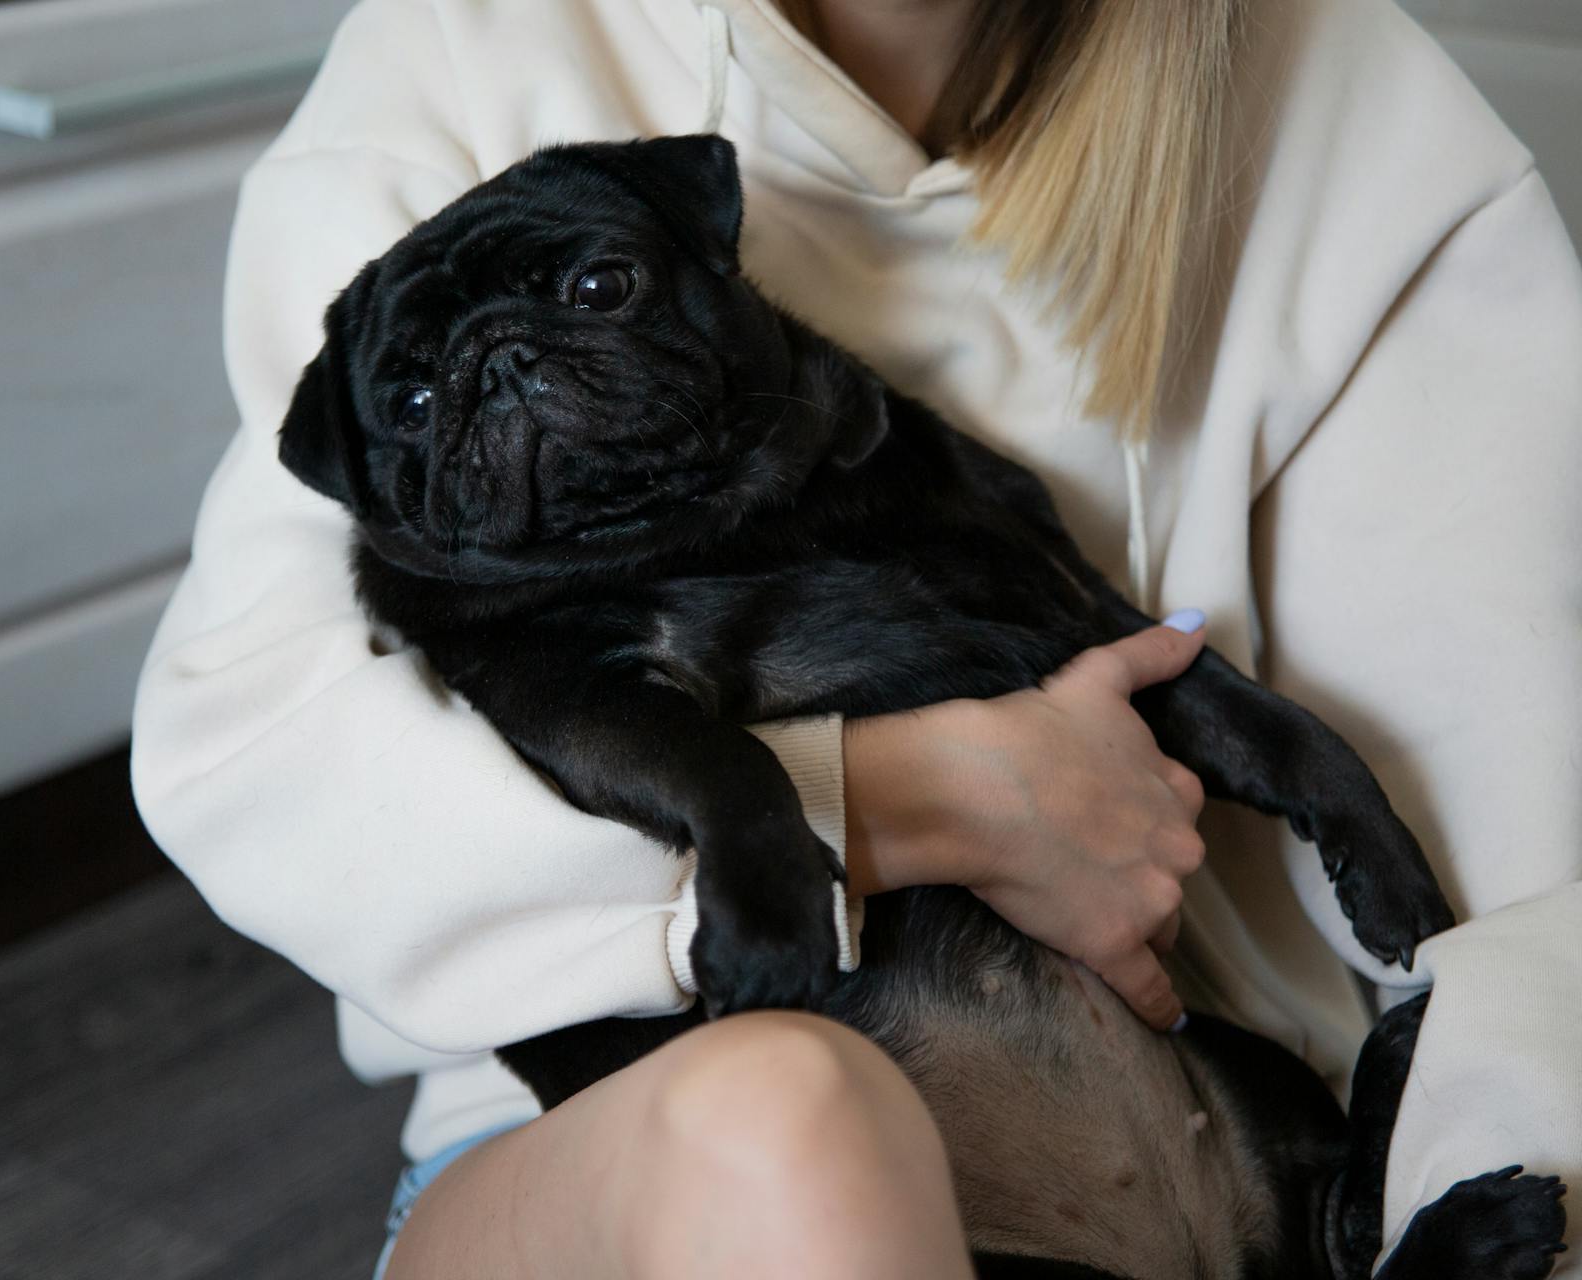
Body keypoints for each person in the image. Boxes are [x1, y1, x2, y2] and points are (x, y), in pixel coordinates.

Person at [129, 0, 1582, 1275]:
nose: (516, 376)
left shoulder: (1357, 120)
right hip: (640, 1170)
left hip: (1238, 1128)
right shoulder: (457, 50)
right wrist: (908, 801)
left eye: (593, 295)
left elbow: (1522, 850)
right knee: (785, 1124)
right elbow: (254, 767)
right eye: (448, 393)